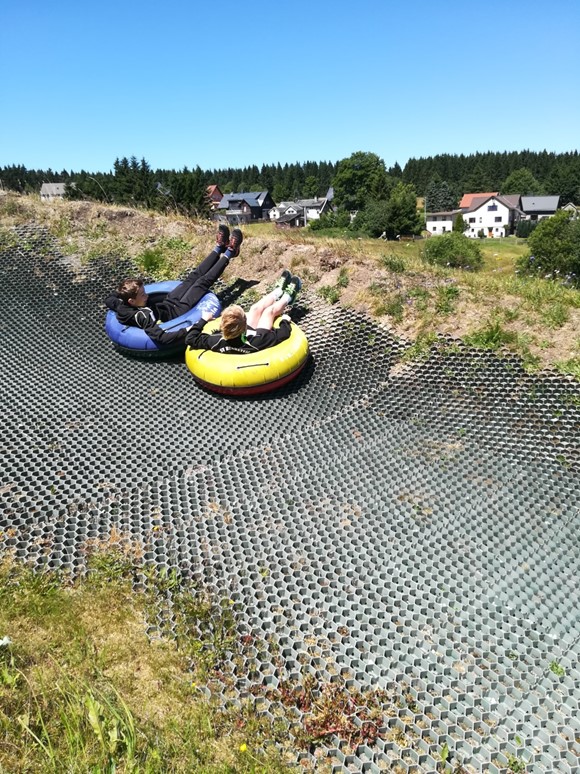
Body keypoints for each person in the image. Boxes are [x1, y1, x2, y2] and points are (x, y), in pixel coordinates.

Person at [105, 226, 243, 346]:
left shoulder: (119, 304)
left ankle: (219, 247)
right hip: (179, 311)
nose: (146, 295)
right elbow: (162, 338)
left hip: (168, 302)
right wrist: (195, 326)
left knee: (193, 277)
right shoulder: (143, 316)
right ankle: (230, 252)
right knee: (201, 283)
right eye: (142, 295)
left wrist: (126, 289)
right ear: (132, 302)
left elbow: (109, 299)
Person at [185, 270, 302, 354]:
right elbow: (282, 334)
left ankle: (278, 290)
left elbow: (190, 339)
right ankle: (288, 297)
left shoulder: (215, 341)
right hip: (252, 338)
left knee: (255, 309)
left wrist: (203, 320)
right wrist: (285, 321)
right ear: (244, 326)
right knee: (268, 312)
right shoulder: (259, 340)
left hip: (238, 338)